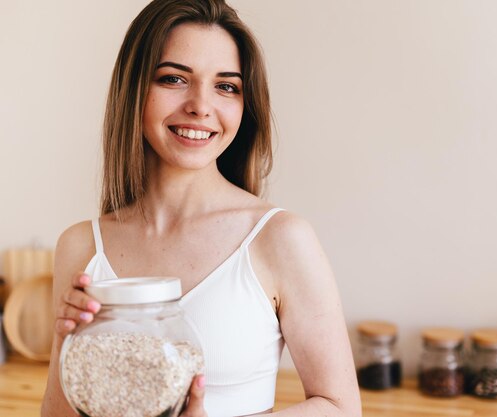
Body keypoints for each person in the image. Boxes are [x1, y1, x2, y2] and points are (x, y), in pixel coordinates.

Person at [40, 0, 361, 416]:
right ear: (134, 88)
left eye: (226, 86)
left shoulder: (279, 238)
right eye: (174, 79)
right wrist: (71, 343)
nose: (200, 105)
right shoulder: (82, 246)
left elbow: (340, 407)